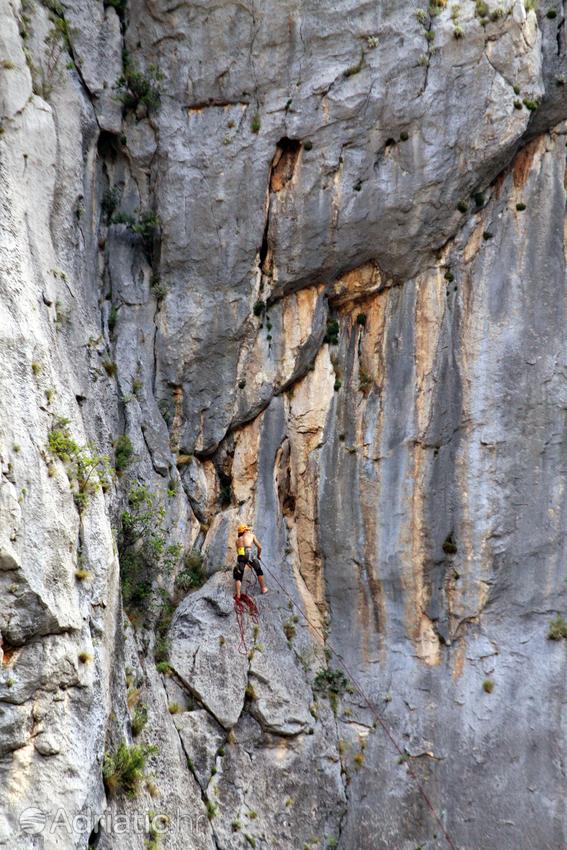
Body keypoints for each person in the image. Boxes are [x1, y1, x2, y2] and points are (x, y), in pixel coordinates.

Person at [234, 523, 268, 599]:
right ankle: (263, 588)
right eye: (247, 530)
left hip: (240, 556)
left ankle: (238, 595)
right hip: (249, 553)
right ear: (245, 530)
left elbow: (240, 553)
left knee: (239, 576)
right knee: (259, 571)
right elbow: (260, 547)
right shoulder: (251, 536)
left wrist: (247, 562)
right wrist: (258, 555)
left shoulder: (237, 540)